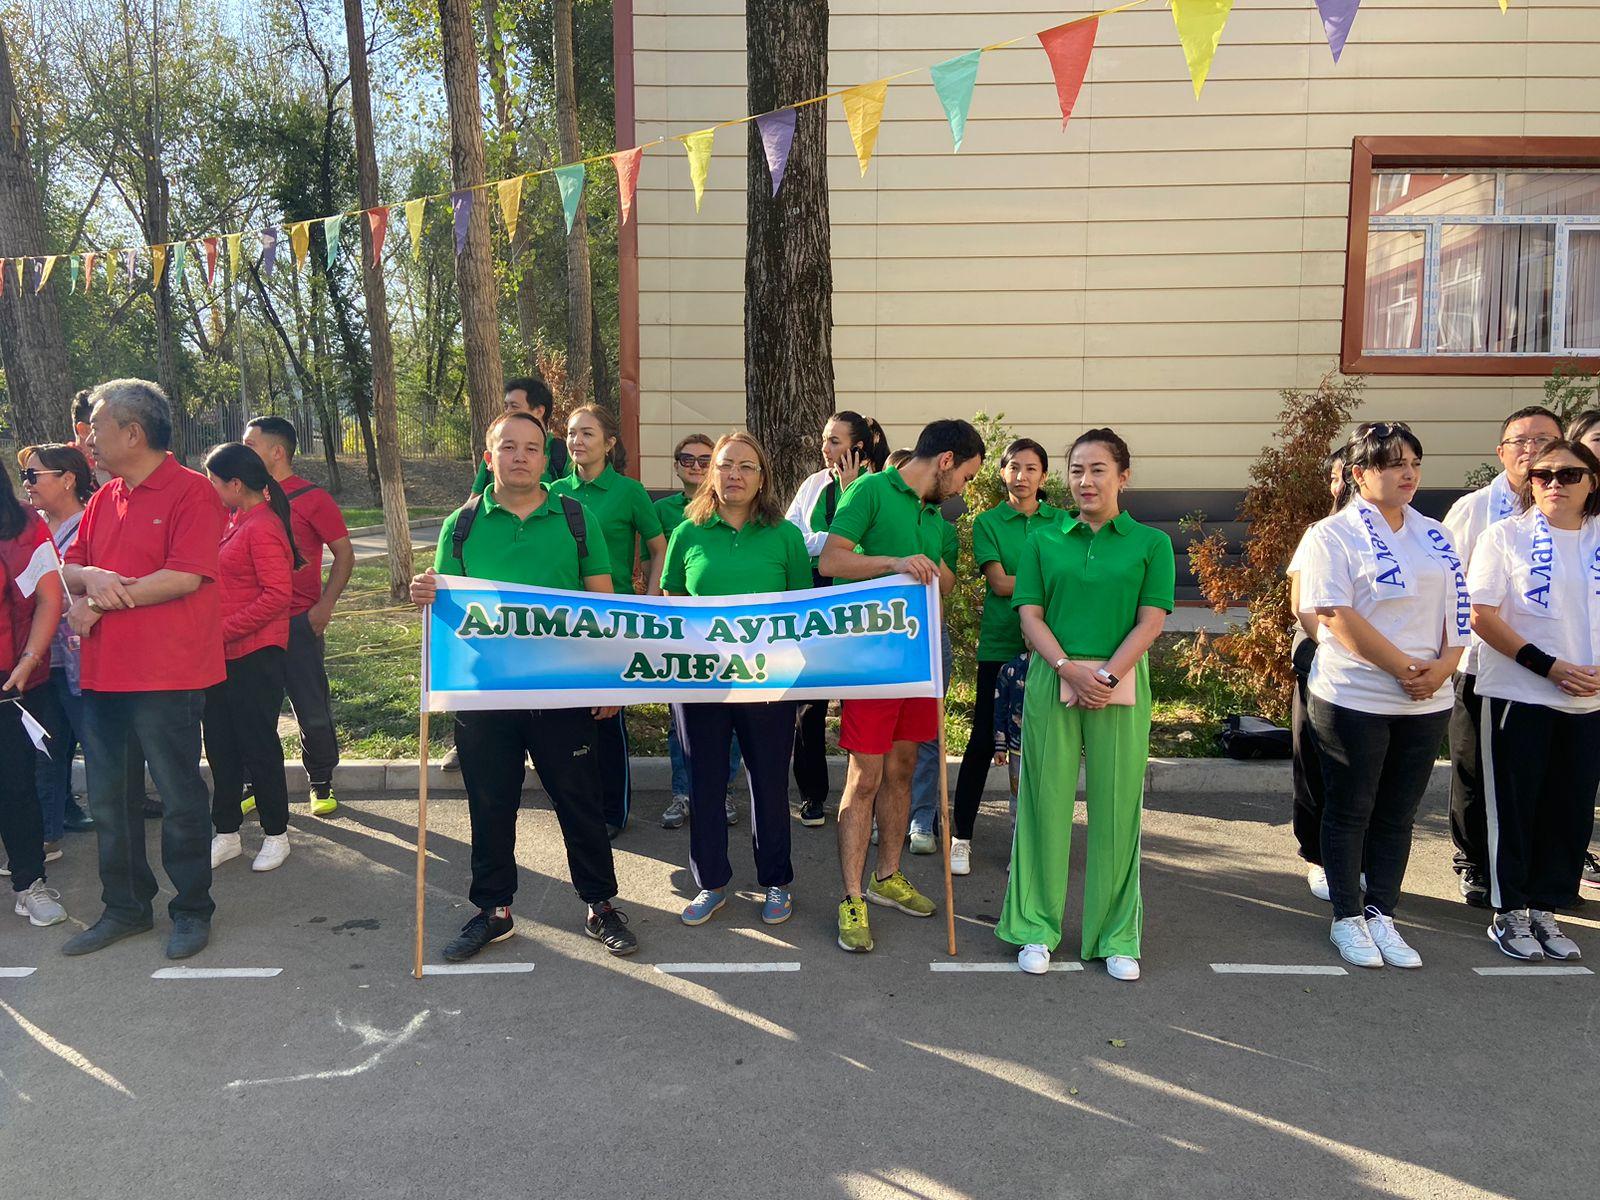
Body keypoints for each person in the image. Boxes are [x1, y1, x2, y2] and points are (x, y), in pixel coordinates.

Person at [410, 410, 637, 960]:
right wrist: (426, 593)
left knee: (579, 802)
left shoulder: (576, 518)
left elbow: (601, 607)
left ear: (545, 459)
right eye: (508, 447)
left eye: (532, 448)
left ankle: (600, 905)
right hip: (486, 694)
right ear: (489, 457)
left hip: (562, 691)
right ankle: (494, 910)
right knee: (490, 805)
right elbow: (448, 607)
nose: (520, 456)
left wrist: (608, 684)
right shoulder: (461, 524)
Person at [997, 429, 1174, 980]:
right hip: (1053, 678)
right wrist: (1066, 668)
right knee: (1043, 805)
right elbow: (1029, 615)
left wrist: (1106, 675)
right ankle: (1034, 927)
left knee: (1117, 811)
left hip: (1120, 682)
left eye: (1098, 469)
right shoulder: (1043, 540)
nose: (1086, 481)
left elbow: (1151, 620)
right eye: (1076, 470)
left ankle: (1116, 935)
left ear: (1123, 476)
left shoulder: (1151, 544)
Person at [60, 379, 227, 960]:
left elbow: (184, 576)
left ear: (133, 433)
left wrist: (100, 600)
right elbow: (70, 566)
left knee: (180, 797)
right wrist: (89, 579)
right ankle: (125, 908)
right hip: (104, 674)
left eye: (97, 427)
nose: (88, 438)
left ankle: (192, 909)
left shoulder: (192, 492)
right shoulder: (106, 496)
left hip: (168, 676)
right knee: (110, 800)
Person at [1299, 421, 1467, 970]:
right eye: (1394, 464)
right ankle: (1347, 916)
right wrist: (1402, 668)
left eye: (1414, 463)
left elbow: (1458, 608)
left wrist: (1445, 666)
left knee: (1397, 814)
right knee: (1350, 810)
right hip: (1356, 694)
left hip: (1425, 698)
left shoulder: (1434, 534)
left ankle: (1382, 914)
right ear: (1360, 473)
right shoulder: (1333, 534)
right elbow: (1334, 613)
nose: (1408, 474)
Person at [819, 418, 983, 954]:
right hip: (870, 661)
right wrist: (894, 563)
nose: (962, 490)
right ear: (945, 461)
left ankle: (886, 876)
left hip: (917, 660)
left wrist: (934, 569)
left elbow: (945, 584)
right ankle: (852, 897)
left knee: (904, 769)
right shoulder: (869, 489)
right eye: (965, 477)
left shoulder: (935, 516)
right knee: (864, 777)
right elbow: (832, 559)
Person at [662, 431, 812, 926]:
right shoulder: (688, 533)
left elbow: (803, 612)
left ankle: (776, 881)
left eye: (746, 466)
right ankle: (711, 883)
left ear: (762, 477)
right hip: (700, 683)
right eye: (725, 465)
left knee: (768, 783)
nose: (734, 475)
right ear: (711, 473)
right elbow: (671, 601)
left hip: (769, 683)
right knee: (705, 784)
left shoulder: (785, 537)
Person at [1465, 439, 1600, 961]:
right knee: (1513, 809)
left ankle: (1546, 908)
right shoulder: (1505, 536)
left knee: (1569, 809)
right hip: (1519, 693)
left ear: (1592, 482)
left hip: (1587, 701)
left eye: (1569, 474)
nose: (1554, 484)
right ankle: (1510, 911)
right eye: (1543, 475)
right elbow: (1481, 614)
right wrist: (1549, 666)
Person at [1442, 405, 1563, 907]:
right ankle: (1473, 861)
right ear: (1501, 452)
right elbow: (1447, 582)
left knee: (1542, 775)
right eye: (1520, 441)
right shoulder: (1475, 509)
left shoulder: (1574, 509)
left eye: (1544, 440)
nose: (1531, 449)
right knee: (1474, 769)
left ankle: (1536, 867)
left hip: (1555, 669)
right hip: (1482, 663)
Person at [549, 403, 666, 837]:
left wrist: (649, 605)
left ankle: (613, 811)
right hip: (562, 622)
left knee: (607, 716)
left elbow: (658, 547)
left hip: (611, 619)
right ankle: (578, 808)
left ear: (609, 443)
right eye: (571, 433)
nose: (576, 441)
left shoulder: (629, 492)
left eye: (587, 434)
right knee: (567, 717)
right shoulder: (552, 490)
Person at [949, 438, 1064, 875]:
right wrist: (1048, 582)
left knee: (1040, 743)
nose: (1022, 476)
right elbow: (998, 583)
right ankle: (961, 838)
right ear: (1002, 473)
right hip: (1001, 644)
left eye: (1031, 468)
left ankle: (1029, 842)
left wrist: (1041, 582)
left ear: (1043, 475)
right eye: (1014, 467)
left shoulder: (1064, 522)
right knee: (982, 740)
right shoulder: (988, 522)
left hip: (1051, 645)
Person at [242, 416, 351, 815]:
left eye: (250, 445)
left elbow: (345, 554)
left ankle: (321, 783)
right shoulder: (241, 498)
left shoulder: (312, 498)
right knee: (254, 710)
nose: (243, 451)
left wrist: (324, 607)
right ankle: (253, 783)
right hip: (252, 625)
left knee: (312, 709)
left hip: (298, 623)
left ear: (277, 452)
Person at [785, 411, 888, 828]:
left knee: (859, 702)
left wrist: (849, 494)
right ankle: (812, 794)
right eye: (825, 439)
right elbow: (793, 537)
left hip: (858, 599)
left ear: (858, 448)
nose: (825, 449)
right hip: (813, 596)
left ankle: (864, 796)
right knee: (809, 700)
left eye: (834, 441)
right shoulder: (813, 484)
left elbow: (871, 546)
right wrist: (831, 543)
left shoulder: (878, 488)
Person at [204, 443, 303, 874]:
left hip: (255, 654)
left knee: (258, 744)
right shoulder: (236, 521)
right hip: (221, 656)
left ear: (235, 484)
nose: (210, 488)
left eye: (213, 481)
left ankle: (276, 833)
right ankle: (226, 832)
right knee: (220, 744)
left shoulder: (263, 526)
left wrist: (221, 630)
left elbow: (277, 596)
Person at [655, 433, 744, 831]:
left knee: (734, 723)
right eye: (686, 459)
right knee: (682, 724)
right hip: (689, 643)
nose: (695, 465)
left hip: (741, 647)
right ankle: (683, 791)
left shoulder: (756, 522)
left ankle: (723, 790)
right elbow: (667, 581)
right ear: (676, 465)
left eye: (704, 460)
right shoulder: (668, 515)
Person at [0, 462, 68, 928]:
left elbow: (49, 596)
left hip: (13, 679)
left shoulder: (25, 525)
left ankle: (29, 884)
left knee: (15, 784)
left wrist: (29, 659)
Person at [18, 444, 96, 844]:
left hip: (85, 659)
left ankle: (118, 832)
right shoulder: (29, 526)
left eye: (34, 476)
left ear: (68, 480)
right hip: (42, 659)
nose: (27, 485)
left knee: (96, 747)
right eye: (24, 477)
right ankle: (47, 835)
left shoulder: (93, 523)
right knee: (46, 749)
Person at [1286, 448, 1350, 900]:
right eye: (1335, 476)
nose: (1338, 485)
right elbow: (1302, 604)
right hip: (1321, 656)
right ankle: (1319, 857)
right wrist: (1339, 647)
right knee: (1315, 760)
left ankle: (1362, 860)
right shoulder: (1320, 533)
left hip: (1380, 670)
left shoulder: (1412, 535)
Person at [468, 377, 568, 495]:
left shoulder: (561, 452)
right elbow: (475, 499)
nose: (507, 412)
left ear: (539, 411)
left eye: (514, 407)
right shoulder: (498, 451)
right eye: (509, 448)